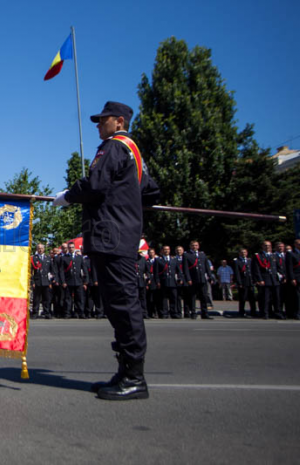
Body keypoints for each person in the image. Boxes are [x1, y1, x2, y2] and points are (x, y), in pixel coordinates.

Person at [54, 101, 160, 400]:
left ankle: (134, 378)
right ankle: (126, 371)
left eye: (103, 120)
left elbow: (96, 184)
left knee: (124, 306)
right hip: (123, 234)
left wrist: (69, 196)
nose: (98, 125)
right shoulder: (134, 152)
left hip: (110, 235)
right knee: (120, 305)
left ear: (119, 121)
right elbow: (151, 191)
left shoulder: (113, 147)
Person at [182, 241, 213, 320]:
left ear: (198, 246)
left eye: (196, 245)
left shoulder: (202, 254)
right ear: (190, 246)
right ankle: (193, 313)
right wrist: (188, 279)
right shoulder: (186, 255)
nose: (194, 247)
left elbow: (207, 267)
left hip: (202, 279)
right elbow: (185, 268)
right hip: (193, 279)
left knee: (203, 296)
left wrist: (210, 277)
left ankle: (205, 313)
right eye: (193, 245)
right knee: (193, 297)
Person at [252, 241, 282, 320]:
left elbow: (278, 267)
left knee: (277, 298)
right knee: (266, 298)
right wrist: (260, 279)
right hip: (265, 280)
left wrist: (283, 276)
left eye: (269, 245)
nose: (267, 247)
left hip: (275, 280)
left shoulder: (274, 255)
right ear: (262, 246)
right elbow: (257, 269)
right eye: (266, 245)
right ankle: (265, 313)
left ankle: (277, 313)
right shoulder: (258, 256)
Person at [57, 241, 87, 318]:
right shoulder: (64, 258)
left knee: (79, 298)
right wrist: (63, 281)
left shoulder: (79, 257)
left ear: (74, 248)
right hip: (68, 281)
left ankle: (79, 313)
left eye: (72, 247)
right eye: (69, 247)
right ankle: (68, 313)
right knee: (68, 299)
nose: (71, 249)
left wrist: (85, 282)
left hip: (78, 281)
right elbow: (61, 271)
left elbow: (84, 270)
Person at [157, 246, 181, 318]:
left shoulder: (174, 260)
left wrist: (180, 279)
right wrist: (158, 281)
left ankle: (174, 313)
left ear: (170, 250)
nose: (166, 251)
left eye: (167, 249)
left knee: (173, 298)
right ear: (162, 251)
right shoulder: (159, 260)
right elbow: (156, 272)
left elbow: (178, 271)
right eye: (165, 250)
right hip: (163, 281)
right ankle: (164, 313)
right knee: (163, 298)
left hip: (173, 282)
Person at [31, 244, 53, 319]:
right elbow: (31, 272)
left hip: (46, 281)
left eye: (42, 248)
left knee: (46, 299)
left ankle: (47, 313)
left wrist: (50, 281)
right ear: (37, 249)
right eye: (39, 248)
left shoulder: (48, 258)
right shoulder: (34, 258)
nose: (40, 250)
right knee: (36, 299)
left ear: (44, 249)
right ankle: (35, 313)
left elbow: (52, 270)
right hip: (37, 281)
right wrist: (33, 282)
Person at [233, 248, 256, 318]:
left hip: (250, 282)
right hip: (243, 283)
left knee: (252, 298)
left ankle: (253, 312)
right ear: (239, 253)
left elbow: (253, 271)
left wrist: (254, 281)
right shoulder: (237, 261)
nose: (243, 254)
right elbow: (237, 273)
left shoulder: (249, 260)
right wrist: (239, 283)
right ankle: (241, 312)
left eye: (245, 252)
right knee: (243, 298)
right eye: (242, 252)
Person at [286, 239, 300, 320]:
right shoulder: (291, 254)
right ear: (295, 245)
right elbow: (289, 267)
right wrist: (292, 278)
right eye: (299, 244)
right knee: (297, 297)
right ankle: (297, 313)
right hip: (297, 278)